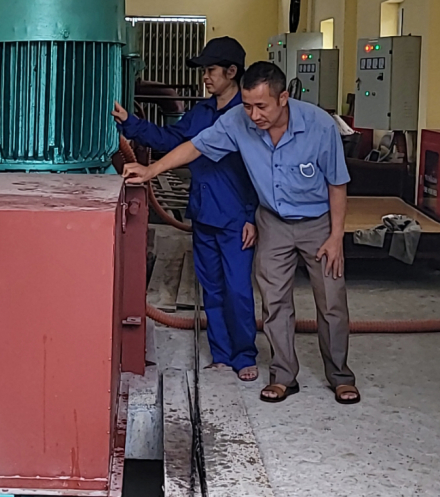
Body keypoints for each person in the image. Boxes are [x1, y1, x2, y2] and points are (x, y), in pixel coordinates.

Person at [122, 61, 360, 405]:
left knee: (331, 302)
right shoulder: (238, 120)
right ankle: (283, 376)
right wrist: (151, 170)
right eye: (248, 105)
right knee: (274, 302)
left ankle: (340, 376)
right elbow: (196, 146)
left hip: (317, 223)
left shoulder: (319, 126)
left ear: (283, 98)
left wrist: (336, 237)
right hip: (273, 221)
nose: (254, 115)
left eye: (261, 106)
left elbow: (337, 184)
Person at [114, 36, 260, 382]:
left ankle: (244, 355)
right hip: (204, 213)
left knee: (238, 289)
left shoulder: (250, 114)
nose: (205, 77)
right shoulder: (202, 113)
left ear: (232, 72)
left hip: (236, 217)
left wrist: (252, 216)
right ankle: (221, 355)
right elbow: (171, 140)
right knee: (211, 288)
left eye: (211, 70)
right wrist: (130, 122)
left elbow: (263, 170)